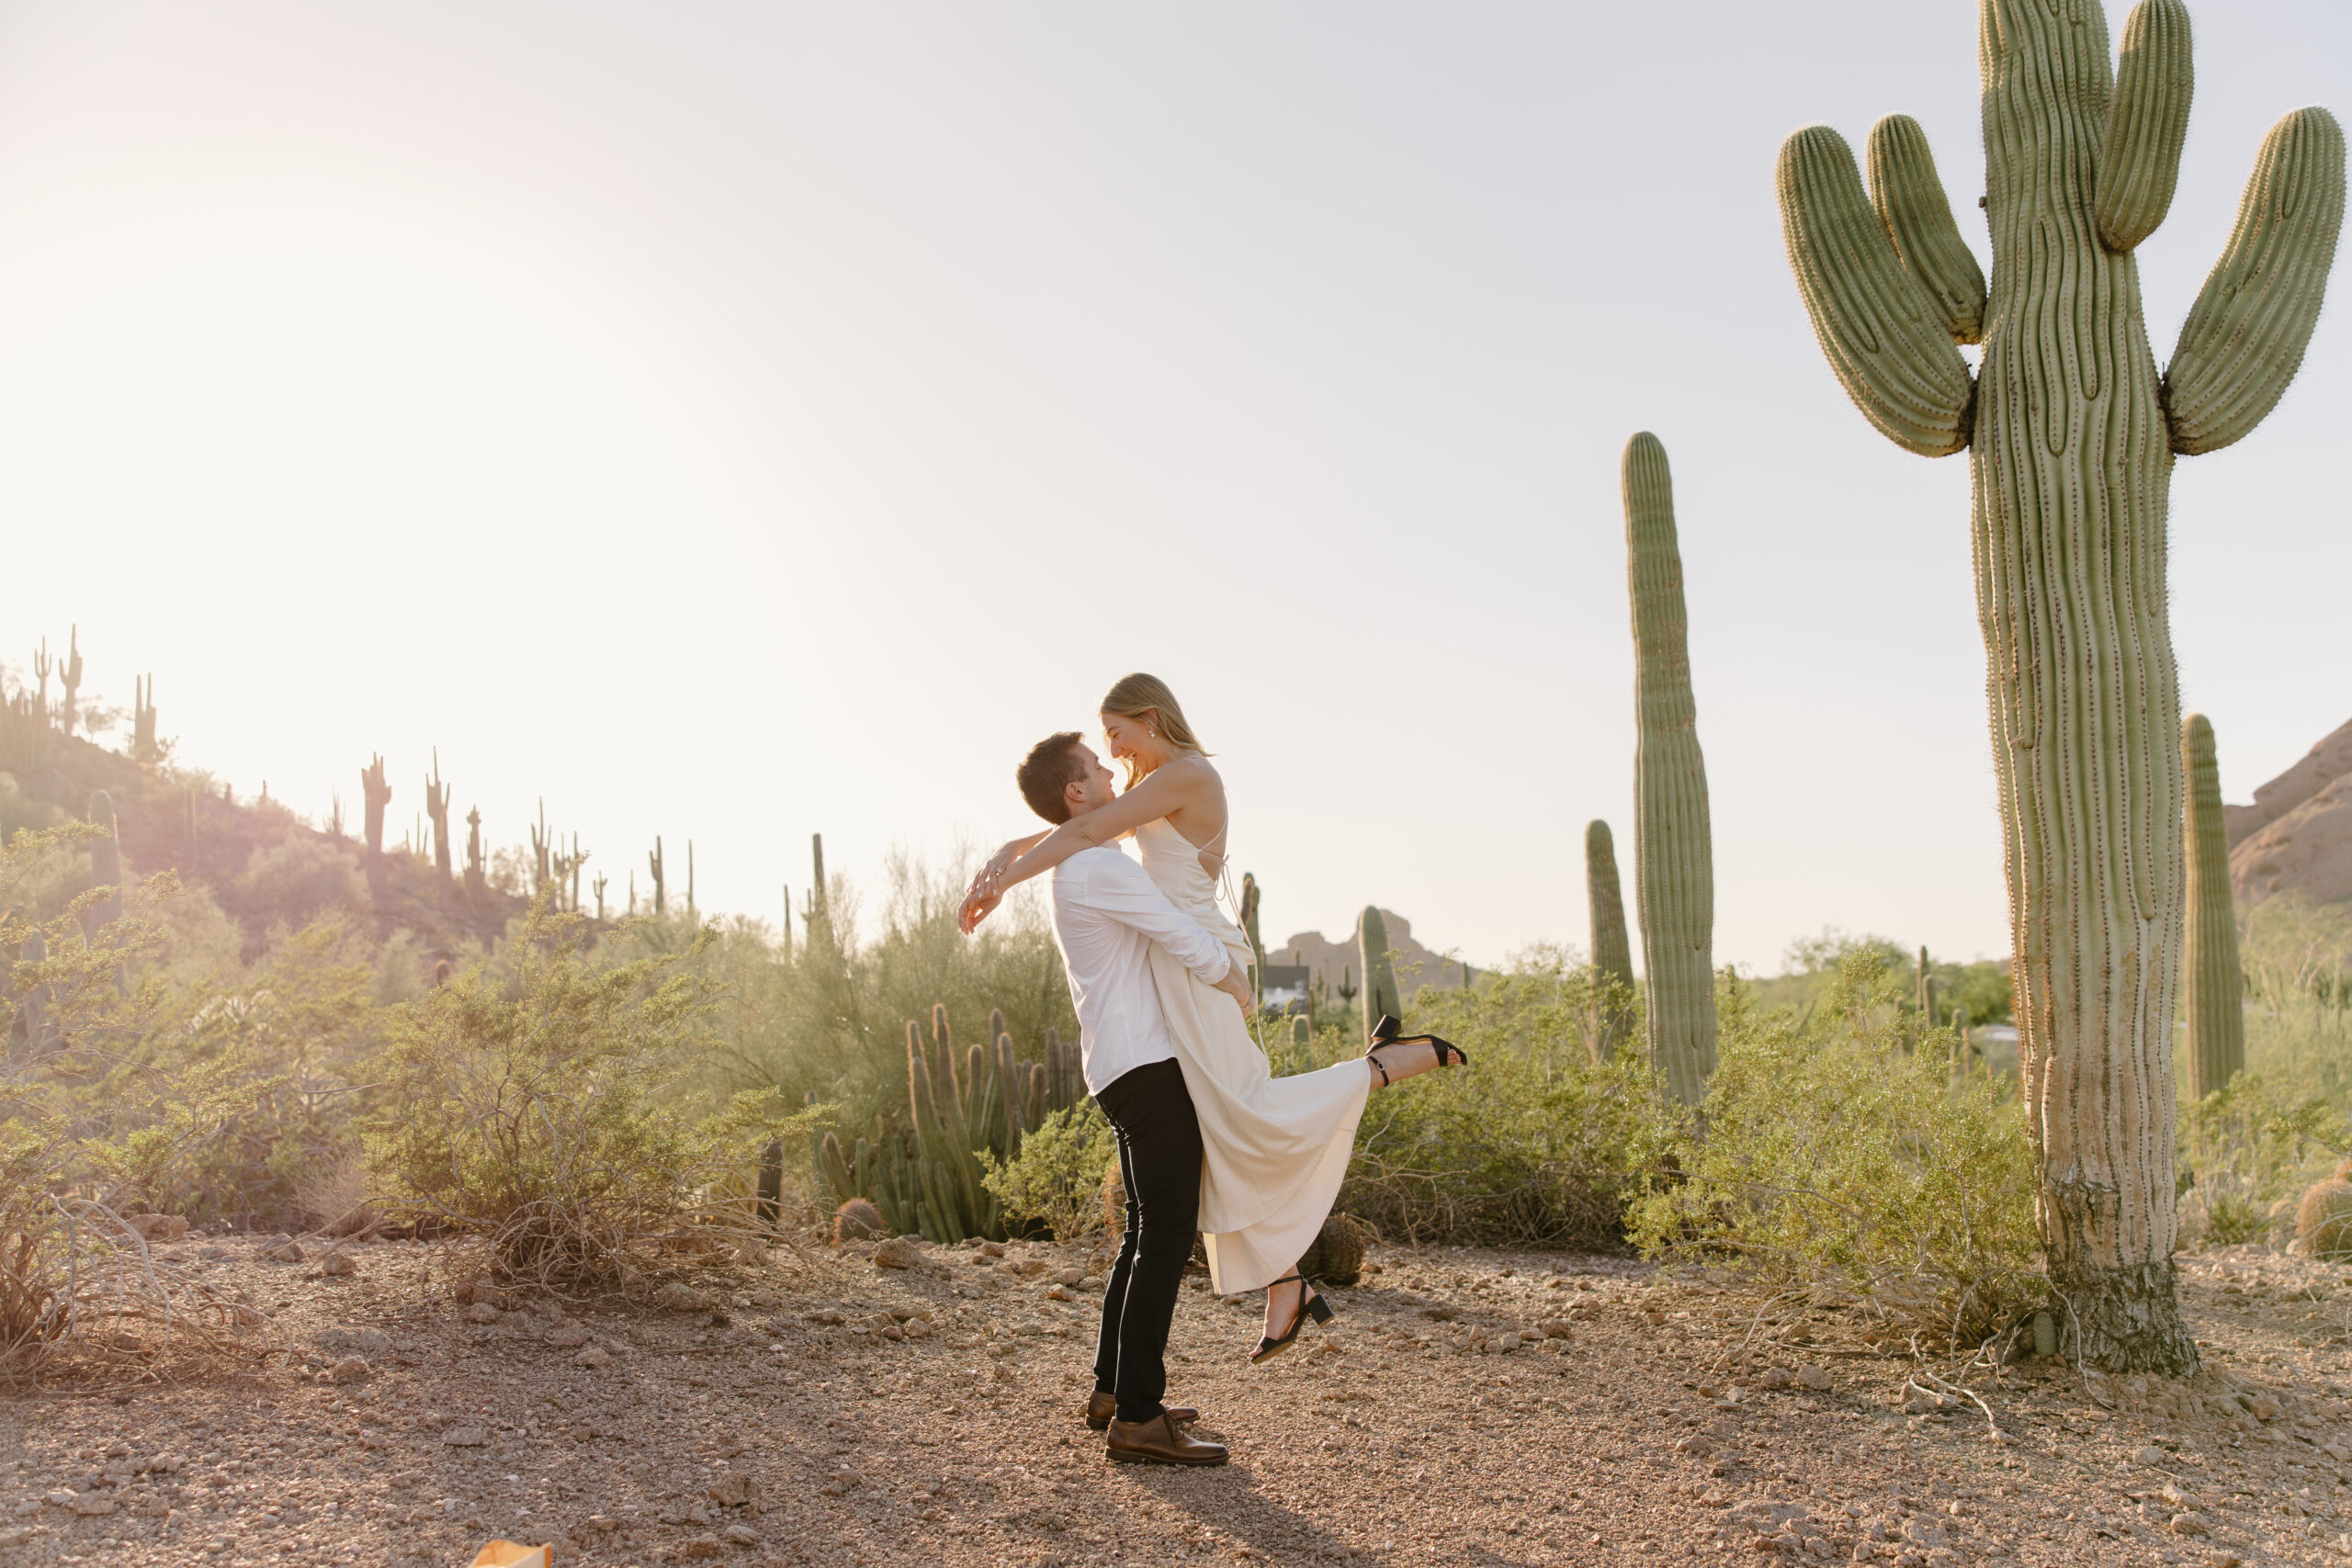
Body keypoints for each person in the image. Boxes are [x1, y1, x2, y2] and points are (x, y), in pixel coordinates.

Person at [965, 675, 1466, 1369]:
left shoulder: (1189, 774)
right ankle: (1284, 1278)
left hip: (1199, 954)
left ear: (1148, 717)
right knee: (1215, 1124)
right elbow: (1079, 816)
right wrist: (1008, 849)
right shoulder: (1152, 777)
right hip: (1182, 958)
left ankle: (1382, 1066)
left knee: (1244, 1108)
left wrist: (1004, 878)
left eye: (1116, 732)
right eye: (1103, 742)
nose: (1112, 750)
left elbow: (1083, 823)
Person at [1011, 729, 1250, 1466]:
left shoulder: (1083, 862)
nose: (1114, 770)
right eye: (1096, 766)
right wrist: (1232, 982)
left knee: (1145, 1230)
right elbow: (1175, 930)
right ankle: (1140, 1417)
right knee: (1167, 1232)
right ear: (1076, 793)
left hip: (1121, 1066)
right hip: (1147, 1068)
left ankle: (1115, 1390)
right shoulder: (1095, 867)